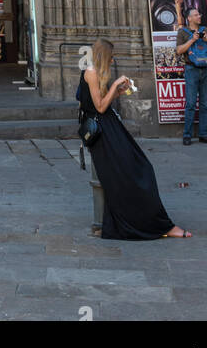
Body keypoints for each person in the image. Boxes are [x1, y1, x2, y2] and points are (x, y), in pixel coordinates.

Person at [77, 38, 190, 239]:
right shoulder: (91, 72)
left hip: (109, 126)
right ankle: (155, 225)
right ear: (104, 56)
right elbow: (100, 107)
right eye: (111, 57)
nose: (113, 61)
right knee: (130, 174)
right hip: (103, 131)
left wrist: (118, 91)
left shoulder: (96, 73)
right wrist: (116, 84)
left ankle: (155, 223)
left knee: (141, 168)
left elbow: (103, 103)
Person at [176, 7, 207, 145]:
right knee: (190, 104)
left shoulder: (205, 30)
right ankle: (187, 135)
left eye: (199, 14)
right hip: (191, 69)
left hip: (206, 69)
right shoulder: (182, 32)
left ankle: (204, 134)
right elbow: (179, 50)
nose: (199, 16)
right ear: (189, 18)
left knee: (205, 104)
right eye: (196, 15)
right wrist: (192, 40)